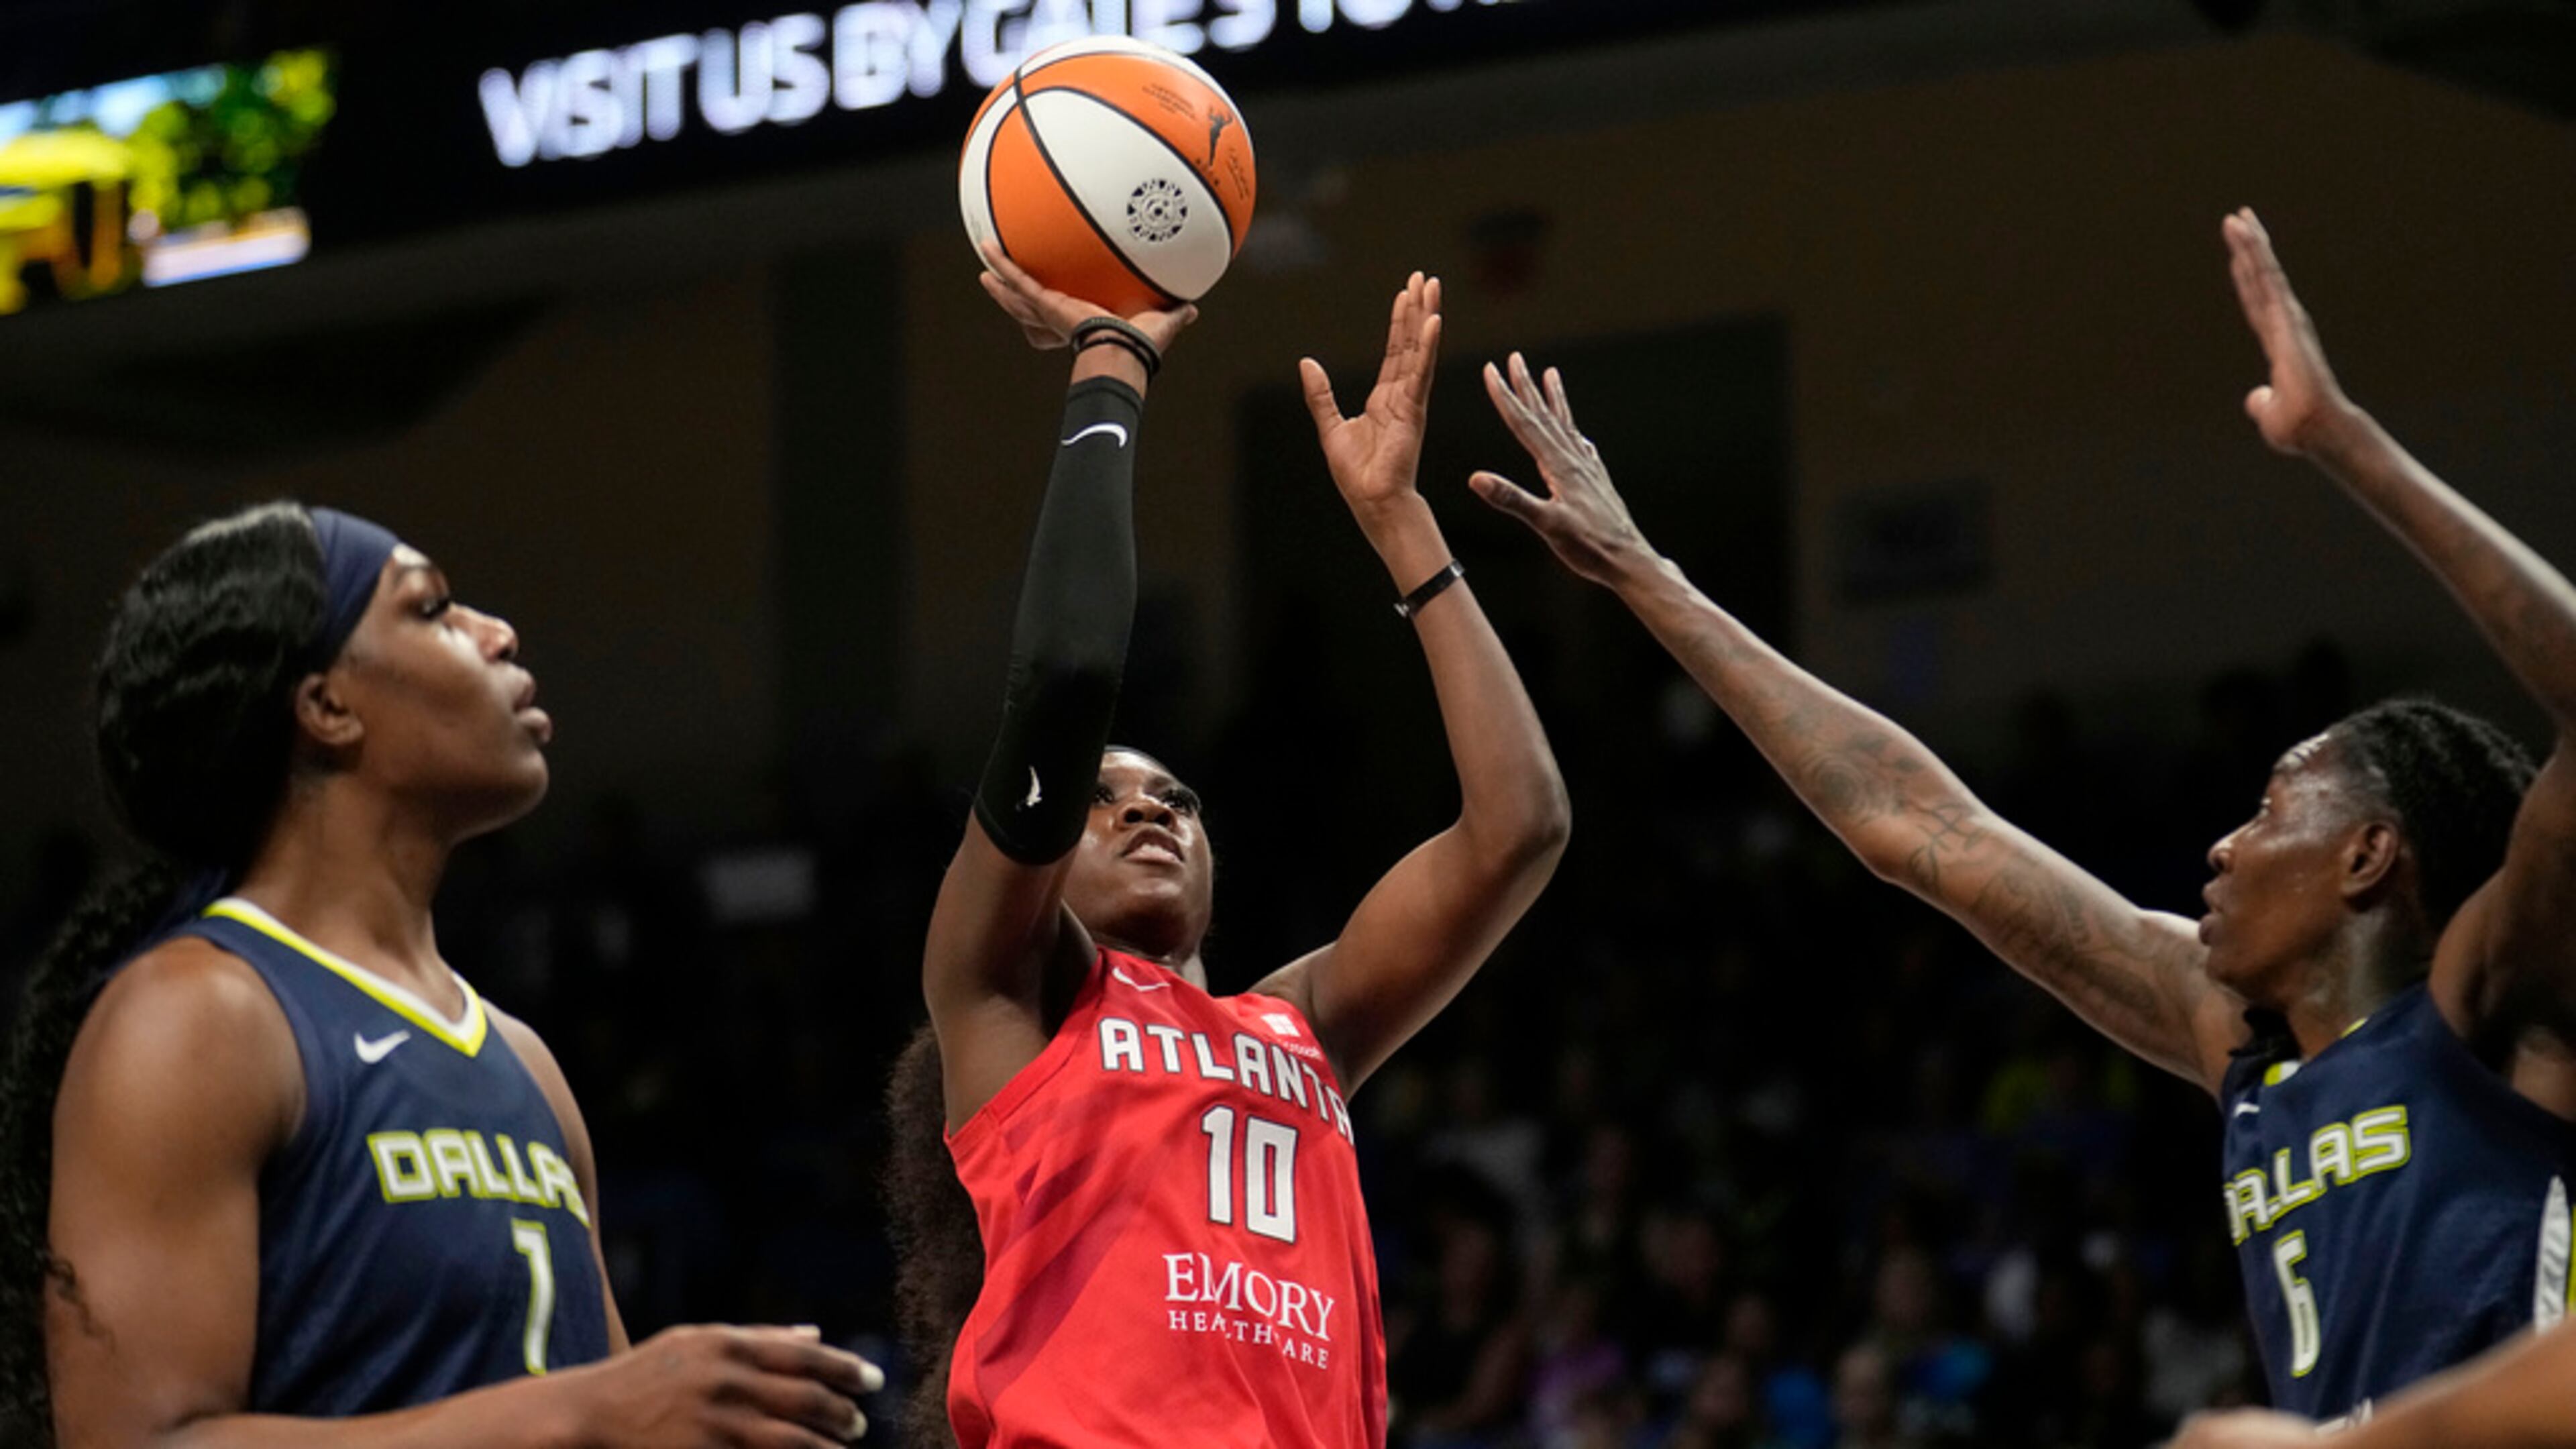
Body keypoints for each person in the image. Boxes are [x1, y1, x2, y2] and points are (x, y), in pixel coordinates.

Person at [1461, 208, 2576, 1421]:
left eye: (2269, 809)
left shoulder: (2494, 1007)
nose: (2225, 843)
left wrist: (2348, 446)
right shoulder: (2244, 1052)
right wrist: (1645, 577)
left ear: (2369, 855)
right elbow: (1918, 826)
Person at [0, 504, 881, 1445]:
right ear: (326, 706)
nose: (497, 632)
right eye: (432, 610)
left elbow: (618, 1424)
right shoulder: (201, 1015)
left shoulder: (525, 1061)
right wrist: (581, 1411)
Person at [885, 253, 1568, 1448]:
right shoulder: (1008, 996)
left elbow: (1521, 828)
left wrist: (1402, 528)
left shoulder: (1303, 1023)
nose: (1149, 810)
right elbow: (1069, 678)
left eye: (1178, 799)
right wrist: (1115, 362)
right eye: (1099, 798)